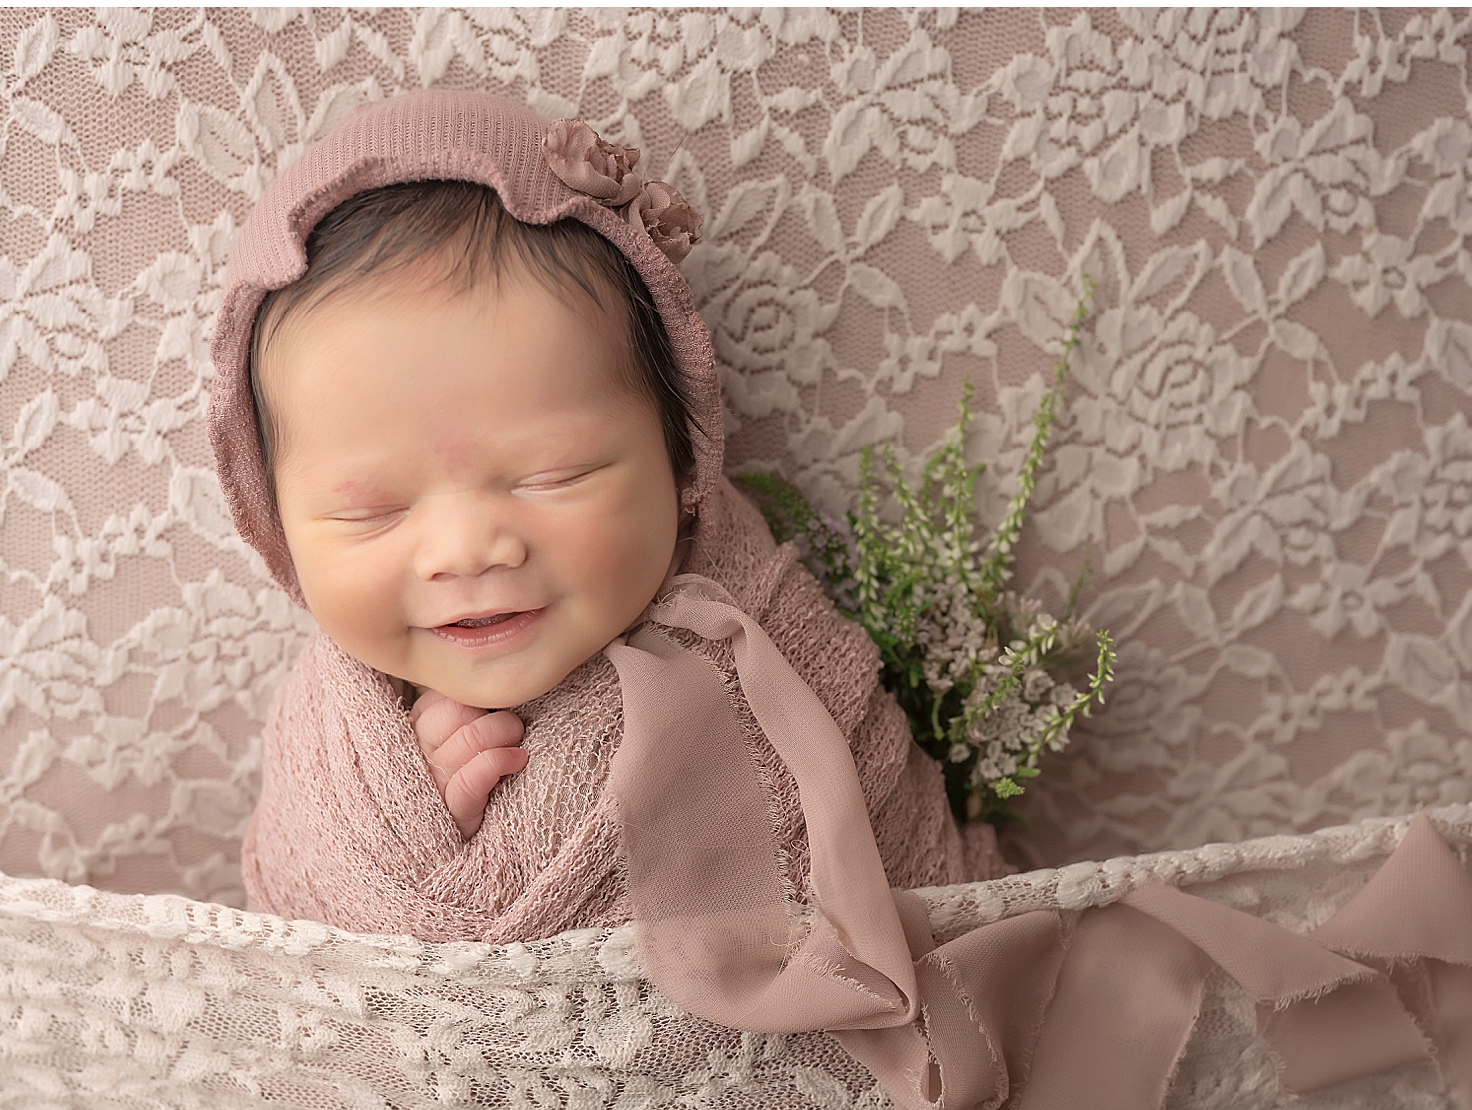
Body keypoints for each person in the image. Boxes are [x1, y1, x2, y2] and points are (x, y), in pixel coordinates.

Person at [207, 88, 1005, 942]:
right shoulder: (331, 751)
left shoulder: (778, 666)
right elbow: (311, 979)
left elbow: (914, 898)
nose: (467, 549)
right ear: (277, 524)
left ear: (677, 457)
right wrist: (406, 803)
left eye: (554, 475)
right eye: (372, 512)